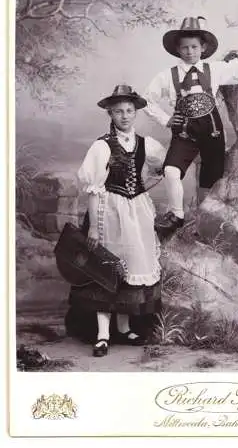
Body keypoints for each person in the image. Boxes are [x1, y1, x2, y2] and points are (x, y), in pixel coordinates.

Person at [143, 16, 238, 237]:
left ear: (203, 47)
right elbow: (146, 100)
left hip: (212, 132)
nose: (189, 52)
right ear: (177, 50)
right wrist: (165, 119)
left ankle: (203, 222)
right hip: (184, 133)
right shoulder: (166, 77)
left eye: (194, 47)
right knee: (170, 170)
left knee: (210, 182)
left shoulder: (215, 70)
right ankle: (176, 216)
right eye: (185, 48)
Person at [71, 85, 165, 357]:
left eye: (129, 111)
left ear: (135, 113)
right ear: (110, 114)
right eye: (119, 111)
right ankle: (103, 335)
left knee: (131, 269)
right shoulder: (102, 146)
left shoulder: (146, 144)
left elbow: (164, 166)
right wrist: (94, 229)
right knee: (106, 272)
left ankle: (123, 329)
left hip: (137, 213)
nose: (125, 116)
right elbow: (93, 188)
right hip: (108, 211)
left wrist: (152, 180)